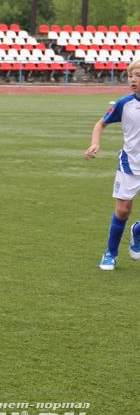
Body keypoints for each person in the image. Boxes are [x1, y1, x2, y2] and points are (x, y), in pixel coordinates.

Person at [83, 58, 140, 270]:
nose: (133, 80)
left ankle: (138, 232)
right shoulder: (124, 104)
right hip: (130, 165)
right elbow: (101, 124)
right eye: (130, 76)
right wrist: (95, 143)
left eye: (138, 76)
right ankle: (110, 253)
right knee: (123, 211)